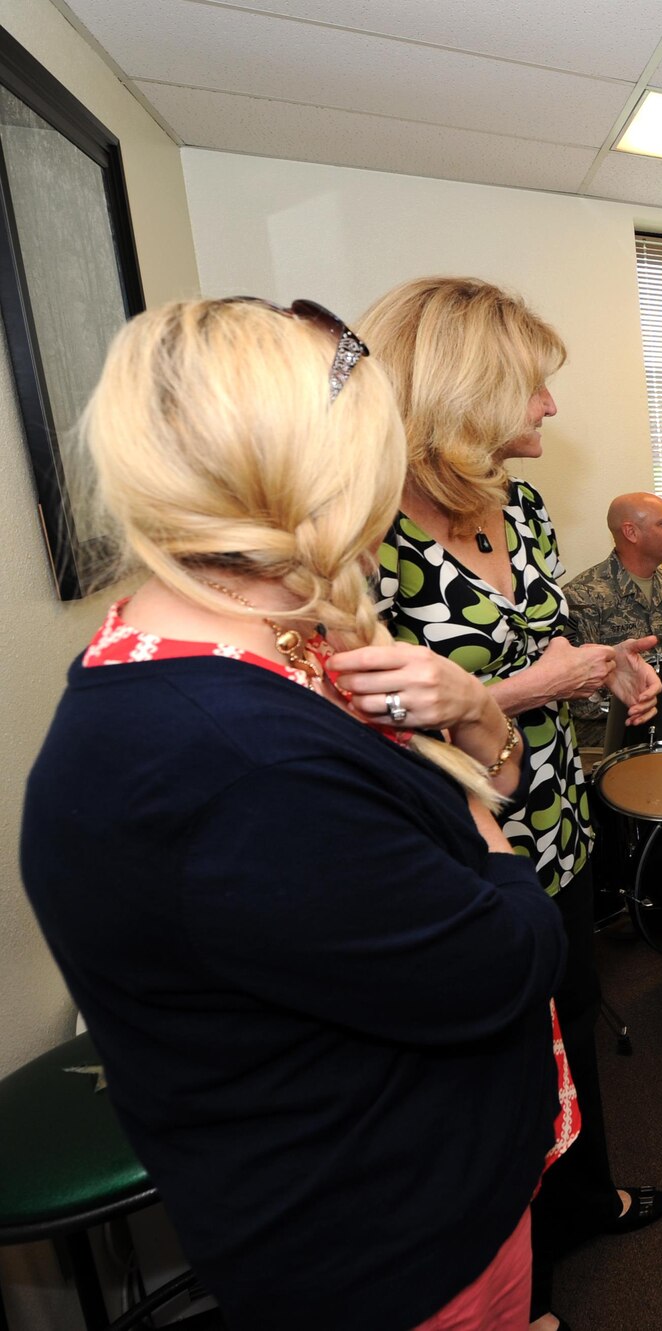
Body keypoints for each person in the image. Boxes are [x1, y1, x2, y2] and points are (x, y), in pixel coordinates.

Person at [21, 298, 566, 1329]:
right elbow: (505, 952)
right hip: (391, 1243)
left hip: (406, 1181)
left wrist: (475, 721)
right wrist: (479, 805)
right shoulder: (235, 759)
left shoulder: (227, 661)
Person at [360, 277, 662, 1331]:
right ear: (467, 394)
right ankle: (516, 1283)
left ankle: (586, 1195)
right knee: (492, 1067)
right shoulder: (364, 539)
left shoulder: (518, 506)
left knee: (572, 1011)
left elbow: (546, 641)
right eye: (532, 386)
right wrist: (528, 691)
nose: (546, 407)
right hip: (458, 843)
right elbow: (365, 722)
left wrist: (608, 670)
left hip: (556, 813)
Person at [566, 491, 662, 750]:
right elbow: (579, 693)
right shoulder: (583, 595)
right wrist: (643, 701)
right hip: (609, 729)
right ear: (631, 532)